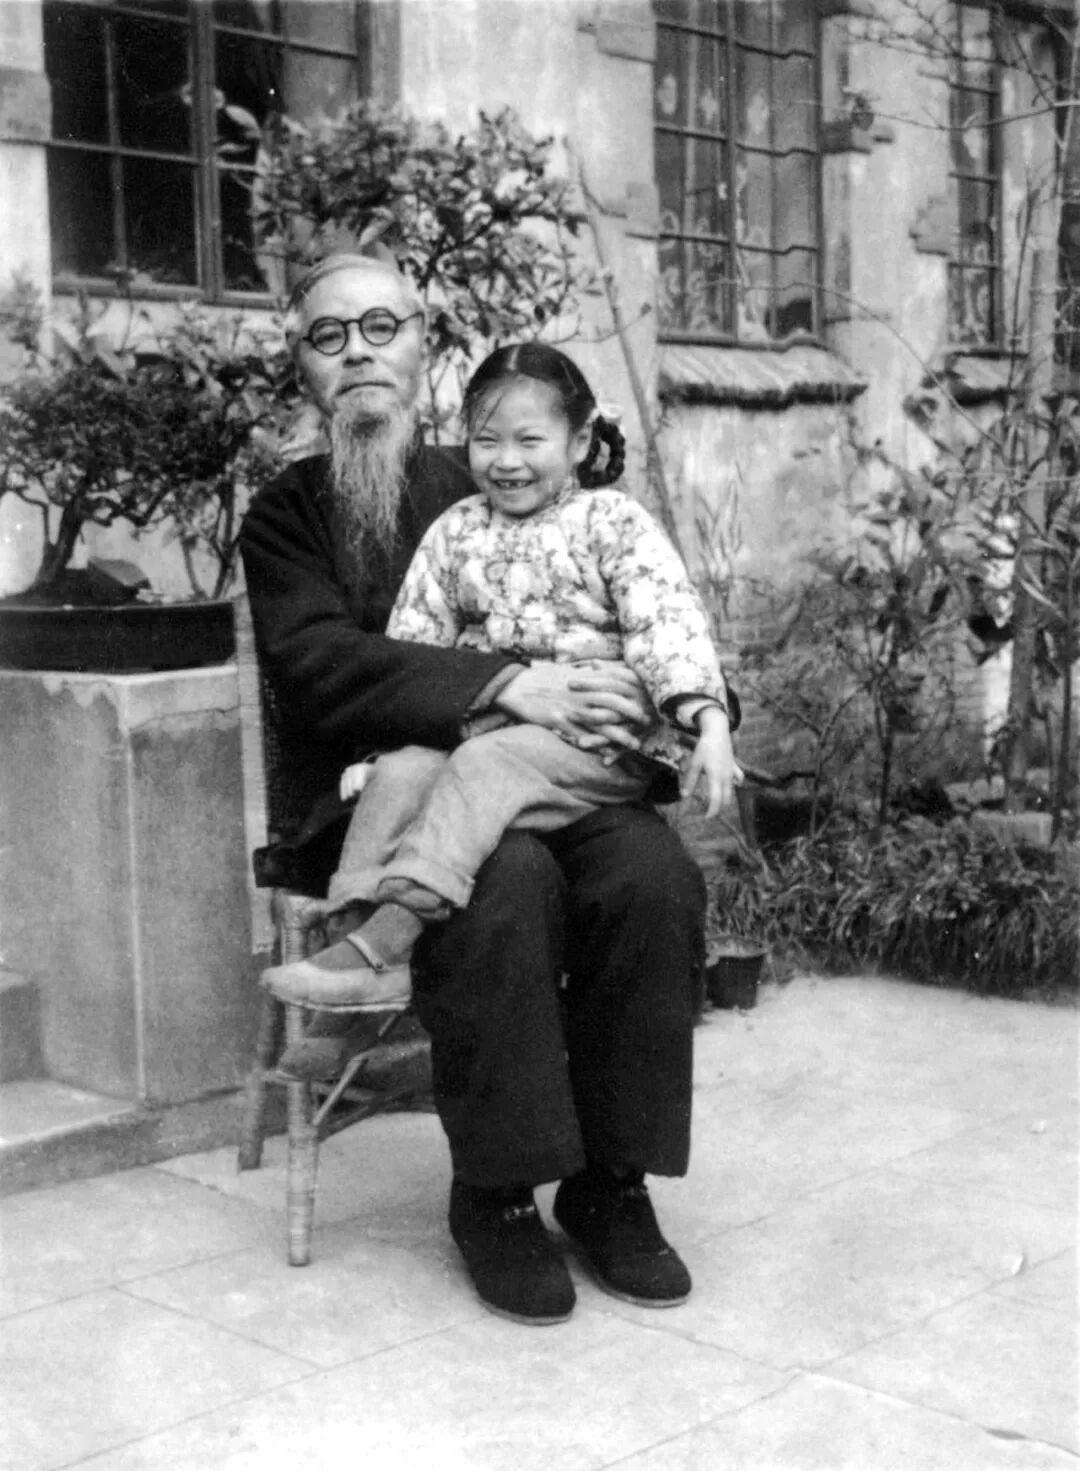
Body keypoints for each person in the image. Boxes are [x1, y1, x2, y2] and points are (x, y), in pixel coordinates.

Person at [239, 252, 740, 1328]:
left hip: (559, 773)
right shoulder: (287, 512)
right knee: (500, 885)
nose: (359, 353)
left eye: (382, 327)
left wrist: (661, 702)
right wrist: (510, 684)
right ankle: (498, 1194)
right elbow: (324, 667)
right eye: (329, 335)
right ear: (302, 365)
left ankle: (612, 1183)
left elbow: (645, 601)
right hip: (390, 787)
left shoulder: (494, 472)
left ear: (425, 343)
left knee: (651, 875)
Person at [259, 341, 739, 1031]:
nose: (506, 460)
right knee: (402, 772)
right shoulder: (456, 531)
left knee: (484, 764)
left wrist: (709, 722)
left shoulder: (612, 523)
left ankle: (393, 936)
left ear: (579, 443)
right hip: (493, 732)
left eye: (529, 440)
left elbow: (669, 624)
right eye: (487, 441)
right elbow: (416, 648)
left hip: (598, 744)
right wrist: (383, 752)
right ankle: (353, 955)